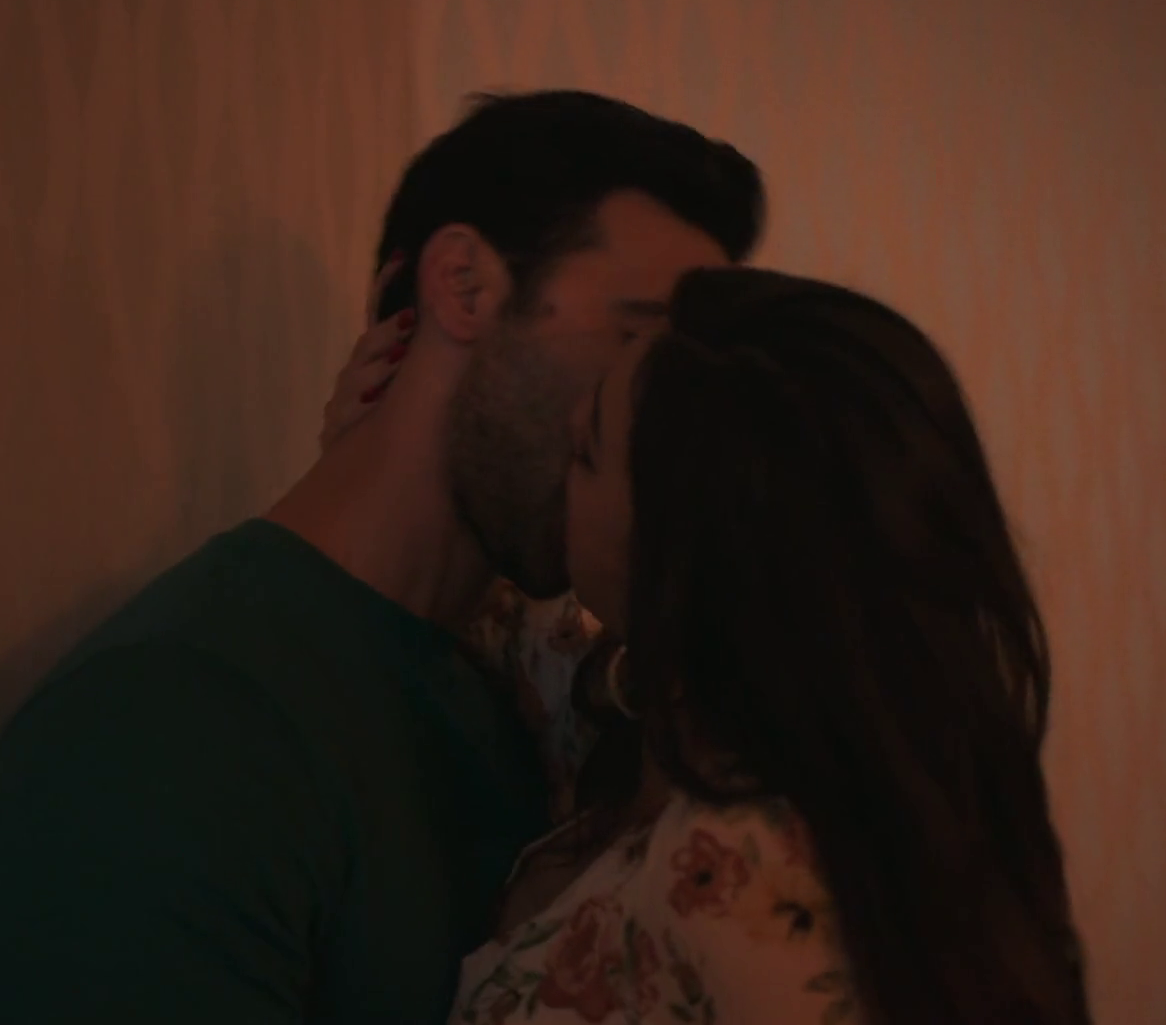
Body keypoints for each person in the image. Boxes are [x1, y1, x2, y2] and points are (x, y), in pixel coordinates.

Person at [0, 90, 766, 1025]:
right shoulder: (160, 735)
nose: (667, 428)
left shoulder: (509, 689)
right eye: (636, 342)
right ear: (463, 286)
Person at [333, 268, 1095, 1024]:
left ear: (684, 560)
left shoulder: (757, 884)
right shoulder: (646, 703)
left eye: (589, 452)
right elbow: (490, 608)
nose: (562, 454)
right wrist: (372, 462)